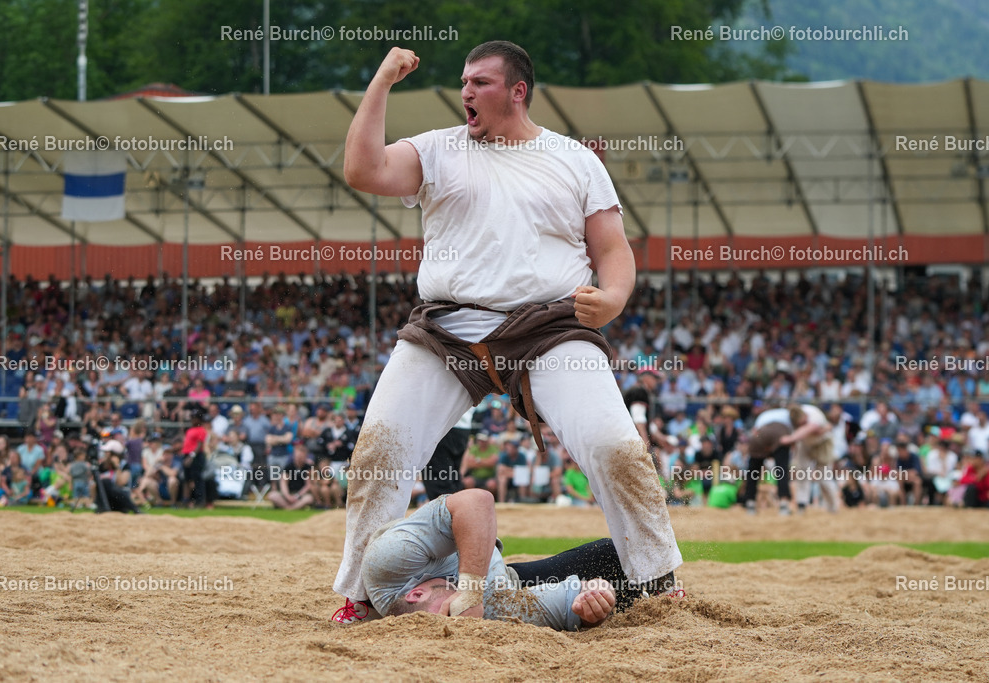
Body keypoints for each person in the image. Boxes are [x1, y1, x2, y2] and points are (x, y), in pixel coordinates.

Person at [333, 41, 682, 620]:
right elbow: (361, 170)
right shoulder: (437, 149)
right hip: (446, 329)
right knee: (380, 449)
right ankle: (361, 596)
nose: (466, 91)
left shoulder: (574, 159)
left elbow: (614, 250)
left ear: (517, 91)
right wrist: (383, 82)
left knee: (612, 444)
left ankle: (659, 583)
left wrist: (614, 298)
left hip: (549, 326)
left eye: (481, 82)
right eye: (464, 82)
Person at [348, 489, 660, 630]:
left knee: (621, 554)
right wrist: (594, 603)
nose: (459, 622)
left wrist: (468, 593)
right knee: (610, 560)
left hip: (466, 562)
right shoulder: (491, 614)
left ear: (416, 593)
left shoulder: (387, 564)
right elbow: (577, 602)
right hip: (504, 584)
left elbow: (477, 501)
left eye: (446, 612)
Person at [781, 404, 838, 513]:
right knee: (802, 473)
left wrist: (790, 438)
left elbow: (810, 428)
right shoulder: (791, 420)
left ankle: (833, 507)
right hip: (805, 445)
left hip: (822, 444)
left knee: (824, 478)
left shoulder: (813, 413)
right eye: (800, 424)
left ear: (805, 415)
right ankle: (801, 504)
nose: (802, 425)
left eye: (804, 422)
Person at [743, 408, 794, 515]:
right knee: (782, 470)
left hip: (759, 435)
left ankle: (750, 504)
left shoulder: (763, 415)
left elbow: (754, 431)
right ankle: (784, 505)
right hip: (780, 435)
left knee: (753, 471)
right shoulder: (787, 413)